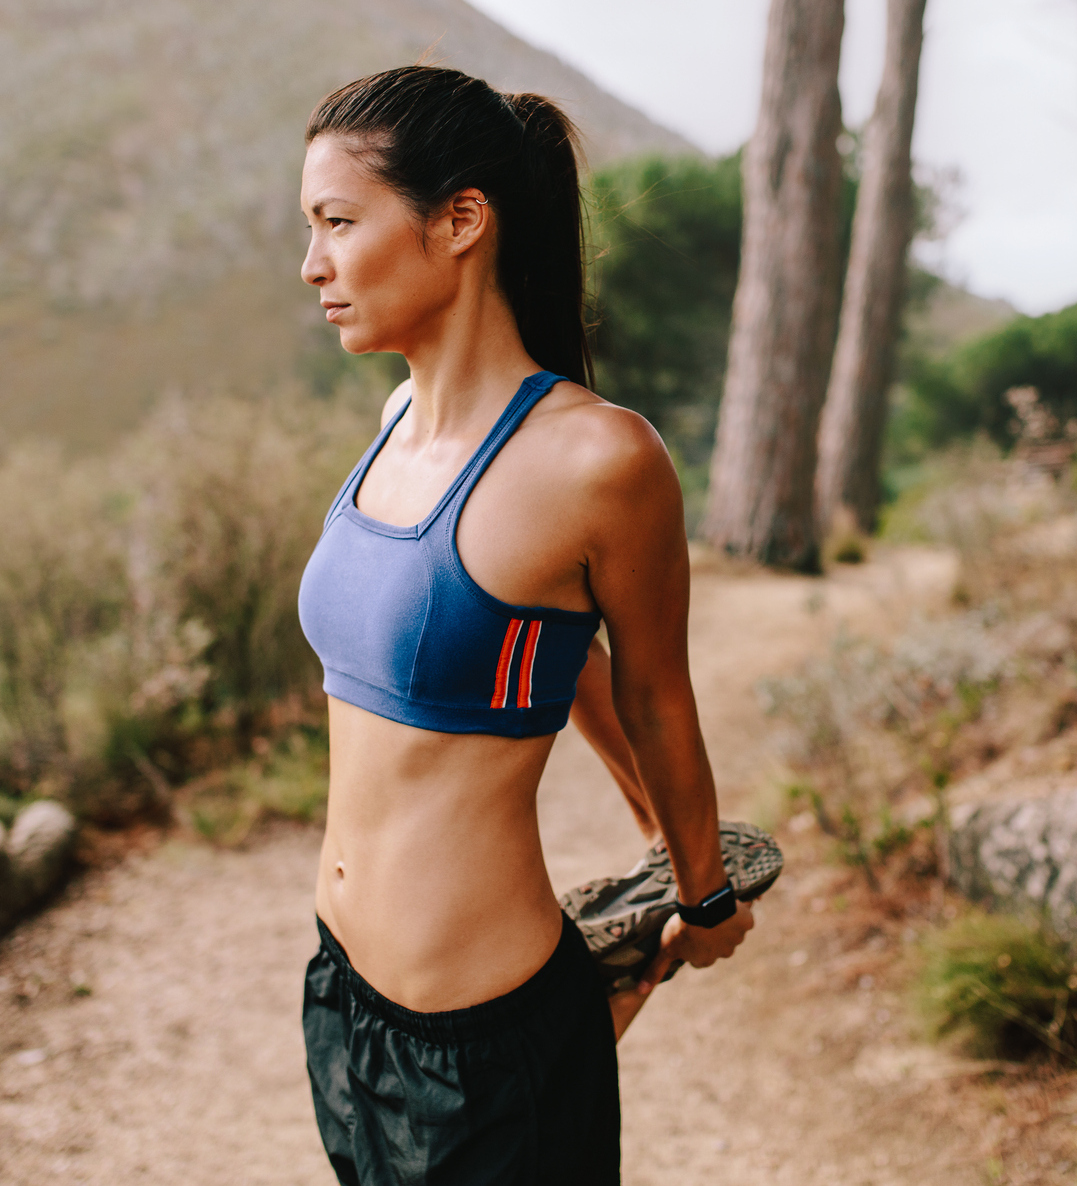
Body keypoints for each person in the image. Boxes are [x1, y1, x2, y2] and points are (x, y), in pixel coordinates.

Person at [293, 66, 755, 1184]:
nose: (312, 265)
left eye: (337, 223)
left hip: (483, 1035)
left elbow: (652, 692)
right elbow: (560, 662)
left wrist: (699, 891)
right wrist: (657, 845)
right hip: (340, 994)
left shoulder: (600, 459)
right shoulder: (394, 417)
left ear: (460, 220)